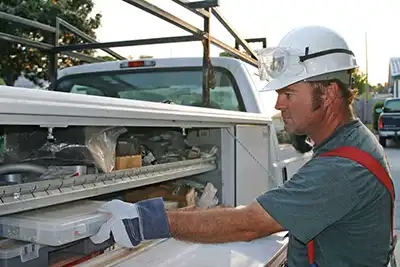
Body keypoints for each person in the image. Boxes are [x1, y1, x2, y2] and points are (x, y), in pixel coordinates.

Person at [90, 26, 395, 267]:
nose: (278, 104)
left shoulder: (341, 168)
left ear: (327, 93)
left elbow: (250, 224)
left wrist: (146, 220)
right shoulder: (348, 143)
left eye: (288, 93)